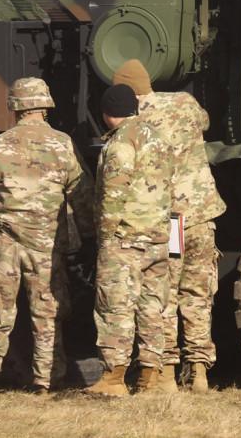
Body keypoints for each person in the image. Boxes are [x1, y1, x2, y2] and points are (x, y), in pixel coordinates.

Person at [0, 77, 92, 393]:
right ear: (45, 106)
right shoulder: (62, 144)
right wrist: (88, 235)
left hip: (3, 242)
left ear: (16, 107)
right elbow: (82, 192)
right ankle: (45, 379)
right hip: (46, 245)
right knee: (47, 312)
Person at [114, 59, 226, 393]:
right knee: (199, 293)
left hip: (172, 220)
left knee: (166, 293)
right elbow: (205, 120)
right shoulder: (185, 103)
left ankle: (165, 371)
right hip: (202, 216)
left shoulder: (135, 122)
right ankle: (200, 371)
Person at [85, 83, 176, 396]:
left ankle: (113, 378)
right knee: (152, 307)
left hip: (125, 237)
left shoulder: (121, 142)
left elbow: (114, 192)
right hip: (158, 237)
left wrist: (105, 237)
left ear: (108, 113)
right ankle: (150, 377)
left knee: (116, 306)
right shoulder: (158, 138)